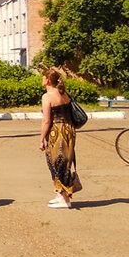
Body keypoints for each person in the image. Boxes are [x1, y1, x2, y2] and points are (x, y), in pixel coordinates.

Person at [40, 69, 80, 208]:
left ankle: (65, 199)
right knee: (64, 162)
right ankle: (60, 194)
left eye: (43, 77)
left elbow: (46, 120)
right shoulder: (63, 93)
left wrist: (41, 139)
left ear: (47, 80)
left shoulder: (47, 96)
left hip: (57, 132)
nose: (42, 80)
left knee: (57, 163)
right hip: (69, 130)